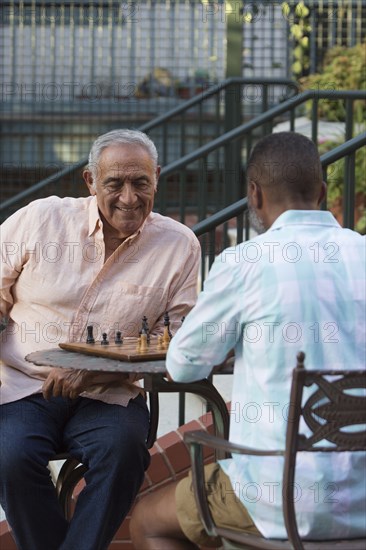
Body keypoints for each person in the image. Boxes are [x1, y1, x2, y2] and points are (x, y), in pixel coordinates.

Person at [129, 131, 366, 549]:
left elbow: (184, 366)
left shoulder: (245, 263)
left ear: (254, 195)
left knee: (147, 522)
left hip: (277, 499)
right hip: (361, 497)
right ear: (323, 192)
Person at [0, 129, 201, 550]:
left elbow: (178, 340)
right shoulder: (41, 219)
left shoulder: (179, 246)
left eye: (140, 183)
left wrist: (94, 371)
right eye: (114, 183)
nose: (129, 197)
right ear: (90, 181)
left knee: (125, 451)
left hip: (108, 395)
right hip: (23, 387)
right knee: (9, 457)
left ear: (157, 178)